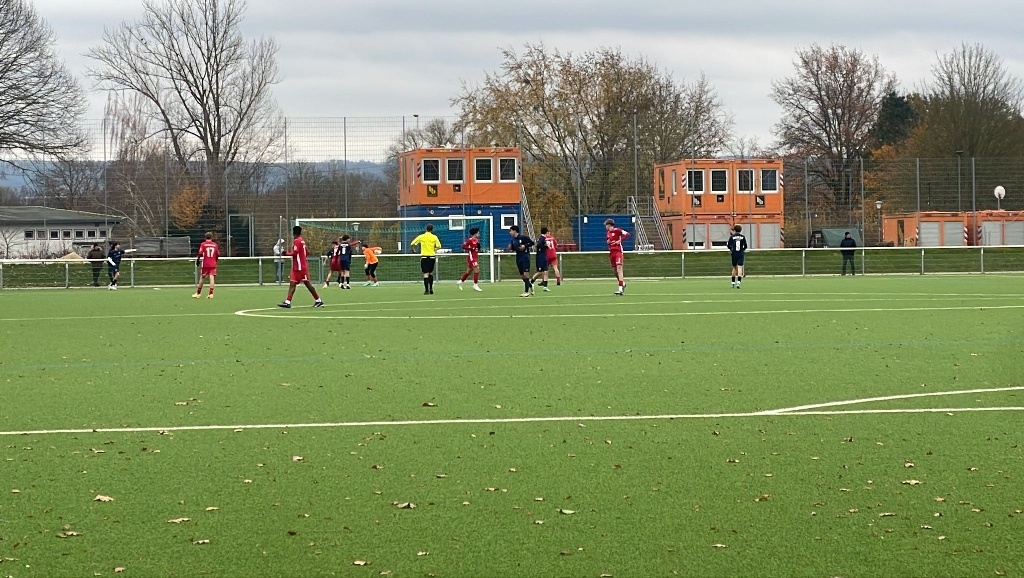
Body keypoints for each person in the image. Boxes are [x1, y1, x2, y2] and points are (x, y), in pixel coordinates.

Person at [278, 225, 324, 309]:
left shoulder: (297, 241)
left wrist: (286, 253)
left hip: (300, 268)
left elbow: (295, 253)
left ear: (293, 233)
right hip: (298, 266)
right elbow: (307, 252)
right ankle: (288, 302)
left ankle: (318, 300)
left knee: (307, 283)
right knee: (292, 283)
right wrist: (302, 258)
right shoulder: (302, 241)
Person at [410, 224, 442, 295]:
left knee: (425, 274)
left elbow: (412, 243)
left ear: (426, 229)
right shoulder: (434, 237)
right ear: (432, 229)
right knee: (430, 273)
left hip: (424, 257)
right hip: (432, 257)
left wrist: (413, 250)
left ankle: (426, 290)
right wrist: (433, 249)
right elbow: (439, 246)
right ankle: (431, 289)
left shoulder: (422, 236)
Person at [605, 219, 631, 295]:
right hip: (612, 253)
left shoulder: (617, 230)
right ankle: (622, 283)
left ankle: (620, 289)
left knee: (619, 268)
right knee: (615, 271)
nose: (605, 227)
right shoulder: (608, 233)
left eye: (606, 225)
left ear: (609, 225)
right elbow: (609, 241)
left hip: (618, 252)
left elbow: (627, 234)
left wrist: (620, 240)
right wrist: (608, 242)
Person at [508, 225, 535, 297]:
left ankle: (526, 292)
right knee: (522, 276)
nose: (510, 232)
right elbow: (513, 248)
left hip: (525, 257)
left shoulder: (523, 237)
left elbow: (532, 243)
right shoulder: (513, 240)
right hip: (518, 258)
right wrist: (510, 248)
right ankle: (530, 285)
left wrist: (525, 246)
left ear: (514, 231)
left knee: (526, 274)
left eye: (510, 231)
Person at [194, 232, 220, 299]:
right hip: (213, 263)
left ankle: (198, 293)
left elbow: (200, 253)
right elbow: (218, 254)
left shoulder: (203, 244)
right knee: (212, 277)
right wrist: (215, 261)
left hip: (205, 263)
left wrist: (198, 260)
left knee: (202, 277)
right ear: (212, 237)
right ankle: (211, 294)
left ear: (205, 237)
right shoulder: (215, 245)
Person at [457, 227, 483, 292]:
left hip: (475, 257)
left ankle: (460, 281)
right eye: (478, 232)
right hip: (472, 258)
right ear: (475, 233)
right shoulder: (470, 240)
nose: (479, 233)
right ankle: (475, 285)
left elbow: (477, 248)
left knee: (469, 271)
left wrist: (478, 247)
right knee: (477, 270)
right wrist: (471, 249)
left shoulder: (476, 240)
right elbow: (463, 246)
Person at [727, 224, 748, 289]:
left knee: (734, 268)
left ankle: (733, 282)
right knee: (740, 267)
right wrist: (742, 250)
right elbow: (745, 246)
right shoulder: (743, 237)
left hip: (734, 253)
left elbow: (728, 245)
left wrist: (731, 250)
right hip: (740, 254)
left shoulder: (732, 237)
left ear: (734, 230)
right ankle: (738, 282)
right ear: (741, 230)